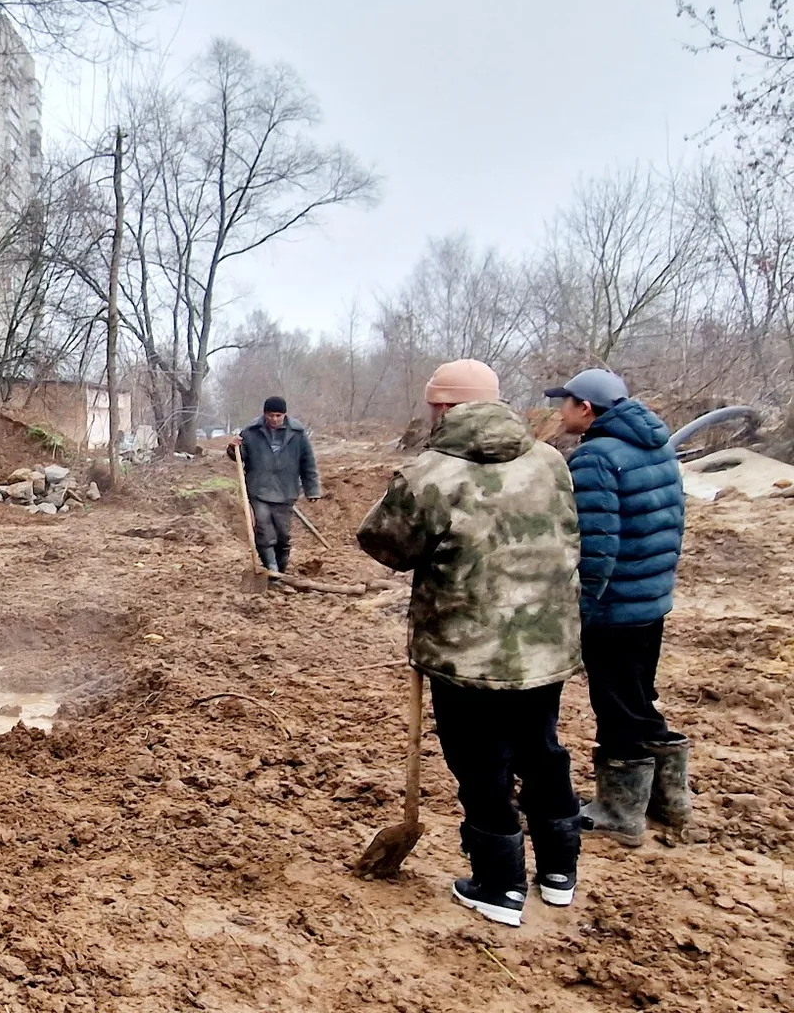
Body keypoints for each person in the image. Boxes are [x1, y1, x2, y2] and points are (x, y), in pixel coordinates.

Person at [356, 359, 585, 927]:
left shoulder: (430, 474)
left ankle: (499, 885)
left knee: (482, 760)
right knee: (542, 749)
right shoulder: (551, 460)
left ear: (442, 408)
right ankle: (559, 872)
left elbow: (385, 546)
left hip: (467, 650)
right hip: (544, 642)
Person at [544, 369, 689, 846]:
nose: (558, 412)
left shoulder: (594, 458)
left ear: (585, 407)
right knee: (638, 697)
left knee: (616, 705)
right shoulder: (658, 445)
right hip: (651, 601)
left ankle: (620, 812)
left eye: (564, 403)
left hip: (615, 608)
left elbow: (597, 548)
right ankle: (669, 801)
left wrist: (581, 609)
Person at [225, 396, 321, 575]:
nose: (275, 419)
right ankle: (271, 568)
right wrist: (233, 448)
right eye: (271, 415)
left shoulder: (298, 434)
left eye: (278, 415)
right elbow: (240, 455)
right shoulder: (251, 432)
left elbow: (308, 463)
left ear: (285, 414)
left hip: (286, 490)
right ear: (264, 414)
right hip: (258, 489)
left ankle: (280, 569)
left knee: (283, 535)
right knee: (263, 530)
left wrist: (312, 489)